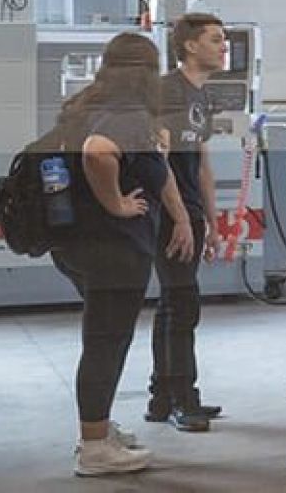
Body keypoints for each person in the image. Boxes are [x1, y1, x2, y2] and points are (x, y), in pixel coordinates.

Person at [51, 33, 195, 476]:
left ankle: (98, 424)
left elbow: (151, 166)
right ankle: (94, 447)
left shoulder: (83, 106)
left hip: (75, 245)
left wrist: (179, 213)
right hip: (113, 248)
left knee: (103, 338)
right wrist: (116, 203)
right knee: (105, 344)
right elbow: (98, 155)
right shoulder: (127, 116)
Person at [144, 13, 225, 432]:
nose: (224, 46)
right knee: (183, 303)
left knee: (174, 303)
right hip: (167, 215)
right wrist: (178, 217)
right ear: (190, 45)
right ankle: (182, 398)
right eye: (215, 39)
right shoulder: (168, 92)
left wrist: (211, 223)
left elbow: (203, 164)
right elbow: (160, 161)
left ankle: (161, 396)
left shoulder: (202, 96)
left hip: (189, 213)